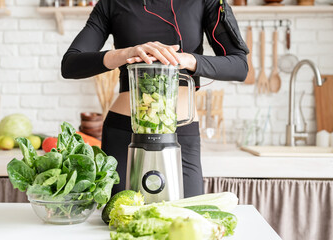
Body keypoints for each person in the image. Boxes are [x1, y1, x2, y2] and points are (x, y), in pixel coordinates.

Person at [61, 0, 248, 198]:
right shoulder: (112, 3)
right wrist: (127, 53)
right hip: (124, 133)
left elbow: (239, 66)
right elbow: (70, 64)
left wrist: (188, 59)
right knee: (121, 220)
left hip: (182, 133)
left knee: (188, 219)